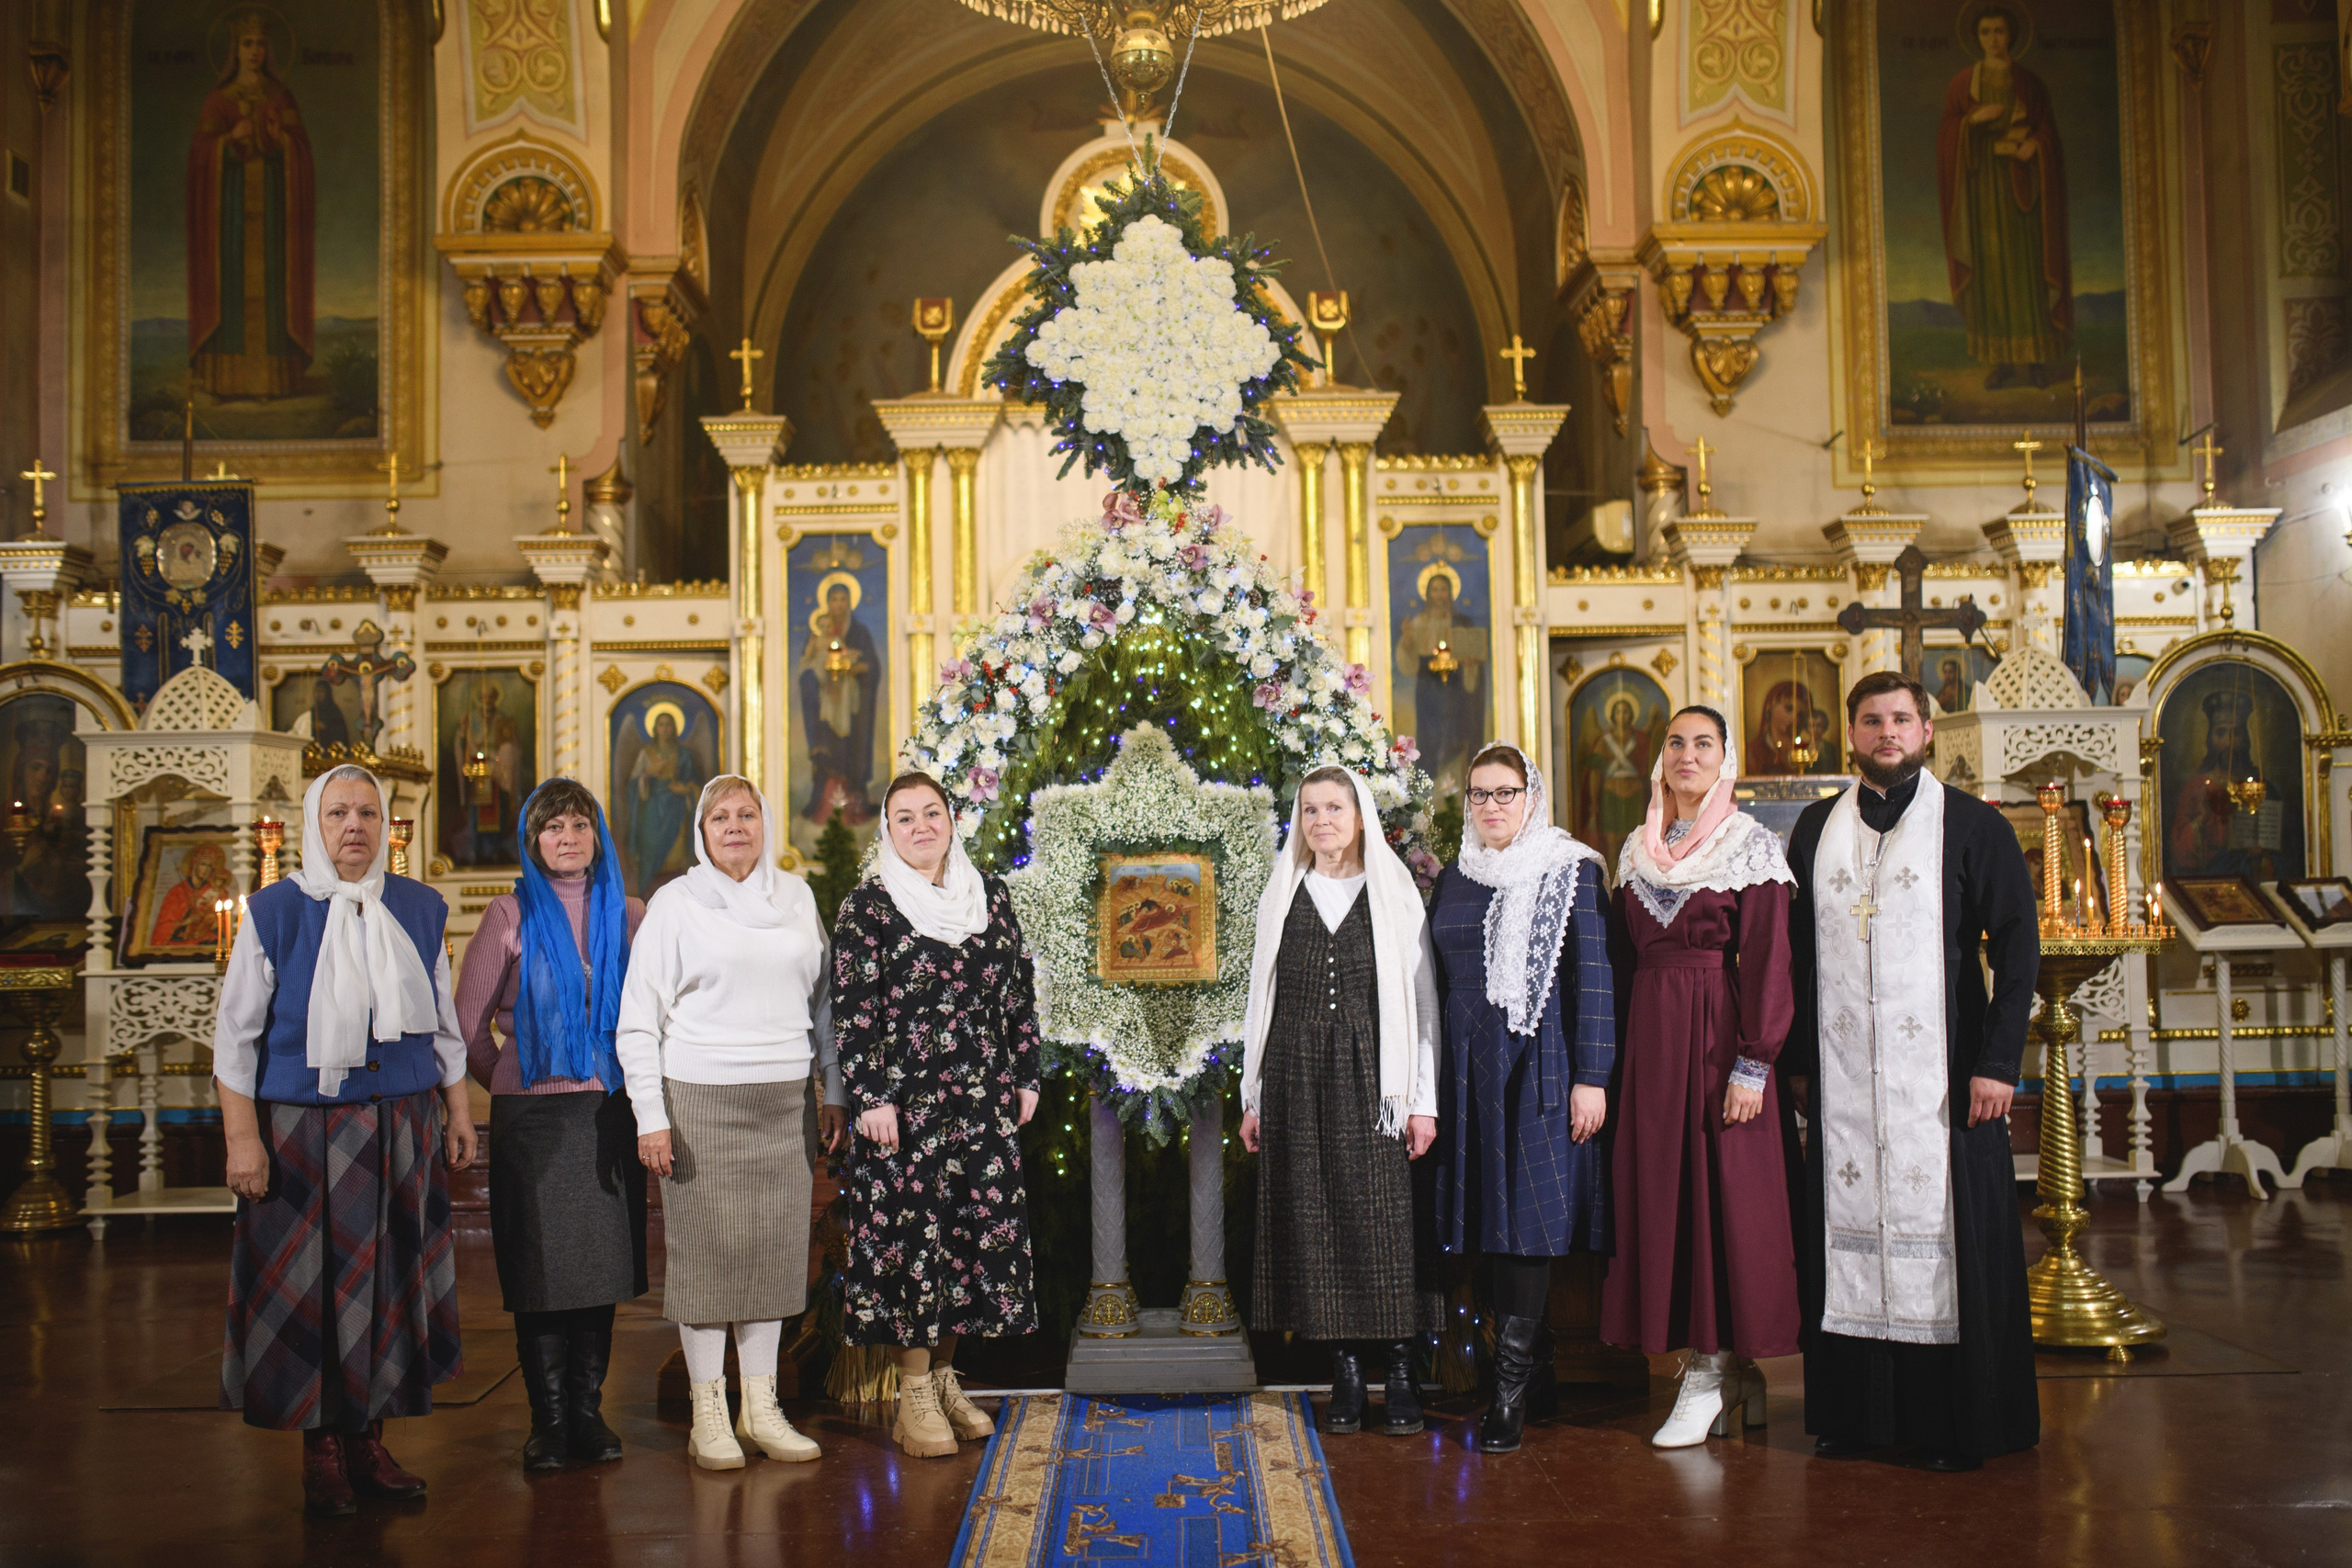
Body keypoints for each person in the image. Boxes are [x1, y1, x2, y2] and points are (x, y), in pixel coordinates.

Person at [1781, 671, 2041, 1472]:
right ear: (1850, 734)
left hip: (1947, 1083)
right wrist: (1794, 1066)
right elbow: (1792, 954)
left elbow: (2017, 942)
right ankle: (1855, 1418)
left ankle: (1954, 1422)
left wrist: (1998, 1063)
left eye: (1900, 719)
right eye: (1870, 720)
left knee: (1950, 1243)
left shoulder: (1970, 825)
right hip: (1842, 1084)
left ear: (1926, 732)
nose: (1885, 732)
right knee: (1844, 1241)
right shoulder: (1816, 827)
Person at [212, 765, 473, 1517]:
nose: (353, 825)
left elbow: (446, 1028)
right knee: (312, 1293)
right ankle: (320, 1452)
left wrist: (456, 1113)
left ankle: (368, 1441)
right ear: (314, 824)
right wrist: (242, 1139)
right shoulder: (275, 913)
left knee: (388, 1287)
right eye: (337, 813)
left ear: (384, 821)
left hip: (399, 1125)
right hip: (300, 1132)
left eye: (366, 811)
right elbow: (235, 1040)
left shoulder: (420, 908)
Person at [616, 775, 848, 1471]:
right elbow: (638, 1019)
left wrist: (831, 1090)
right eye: (721, 815)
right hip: (699, 1099)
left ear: (765, 821)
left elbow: (826, 1008)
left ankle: (762, 1406)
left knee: (776, 1257)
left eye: (748, 812)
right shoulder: (675, 904)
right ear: (702, 828)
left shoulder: (796, 897)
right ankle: (708, 1411)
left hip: (784, 1099)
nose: (736, 825)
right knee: (708, 1258)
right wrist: (649, 1117)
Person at [1600, 707, 1801, 1448]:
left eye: (1703, 744)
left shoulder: (1749, 845)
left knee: (1721, 1199)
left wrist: (1755, 1060)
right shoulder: (1635, 847)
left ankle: (1713, 1369)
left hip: (1720, 1039)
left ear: (1727, 760)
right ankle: (1718, 1367)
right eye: (1676, 743)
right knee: (1669, 1198)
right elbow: (1623, 964)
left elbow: (1772, 957)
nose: (1688, 755)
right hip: (1652, 1044)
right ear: (1661, 758)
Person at [831, 773, 1043, 1459]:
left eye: (932, 813)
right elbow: (853, 1010)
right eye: (904, 817)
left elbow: (1019, 992)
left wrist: (1026, 1071)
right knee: (915, 1241)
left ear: (952, 819)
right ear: (887, 830)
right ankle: (912, 1389)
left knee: (967, 1241)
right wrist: (870, 1097)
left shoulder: (991, 897)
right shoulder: (868, 906)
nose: (921, 826)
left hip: (980, 1101)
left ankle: (946, 1374)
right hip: (906, 1109)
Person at [1239, 764, 1440, 1439]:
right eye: (1310, 809)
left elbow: (1422, 1005)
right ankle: (1347, 1370)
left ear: (1360, 816)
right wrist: (1255, 1095)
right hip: (1297, 1077)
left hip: (1375, 1078)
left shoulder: (1393, 890)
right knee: (1315, 1221)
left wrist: (1422, 1101)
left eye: (1335, 807)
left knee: (1381, 1224)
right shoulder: (1283, 891)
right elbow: (1263, 1002)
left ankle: (1403, 1370)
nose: (1322, 820)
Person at [454, 780, 648, 1472]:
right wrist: (513, 1081)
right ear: (532, 840)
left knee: (598, 1269)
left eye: (579, 824)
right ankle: (549, 1418)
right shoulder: (507, 914)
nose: (567, 837)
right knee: (538, 1271)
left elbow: (650, 1016)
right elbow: (468, 1029)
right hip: (532, 1117)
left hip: (607, 1110)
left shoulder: (630, 914)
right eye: (552, 827)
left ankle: (589, 1414)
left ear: (598, 836)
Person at [1430, 743, 1614, 1454]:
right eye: (1479, 794)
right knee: (1483, 1219)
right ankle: (1537, 1372)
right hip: (1468, 1068)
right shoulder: (1456, 876)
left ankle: (1506, 1388)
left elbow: (1595, 980)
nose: (1491, 806)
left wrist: (1592, 1075)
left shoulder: (1570, 870)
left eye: (1505, 793)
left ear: (1532, 797)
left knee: (1526, 1222)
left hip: (1541, 1063)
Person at [1937, 4, 2070, 388]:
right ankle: (2003, 361)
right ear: (1976, 38)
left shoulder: (2030, 83)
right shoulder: (1963, 83)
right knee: (1992, 273)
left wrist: (2035, 148)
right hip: (1982, 192)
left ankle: (2035, 358)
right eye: (1985, 32)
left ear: (2010, 35)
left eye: (1998, 31)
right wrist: (1970, 122)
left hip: (2022, 192)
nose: (1993, 39)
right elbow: (1947, 134)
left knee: (2026, 268)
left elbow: (2049, 136)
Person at [187, 10, 315, 400]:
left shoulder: (281, 97)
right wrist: (228, 142)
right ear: (236, 50)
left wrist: (282, 142)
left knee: (274, 288)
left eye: (260, 44)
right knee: (232, 289)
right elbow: (199, 157)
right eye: (248, 44)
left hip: (274, 211)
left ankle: (274, 381)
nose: (255, 51)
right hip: (230, 214)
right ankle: (228, 382)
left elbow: (302, 153)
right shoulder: (219, 99)